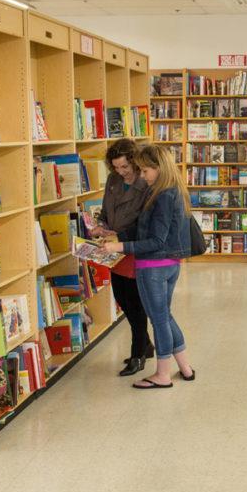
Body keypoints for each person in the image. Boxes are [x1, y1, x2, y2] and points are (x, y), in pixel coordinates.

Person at [101, 144, 195, 389]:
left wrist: (118, 248)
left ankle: (162, 375)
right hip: (168, 263)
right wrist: (118, 236)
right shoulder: (170, 191)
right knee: (165, 316)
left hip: (154, 266)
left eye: (145, 171)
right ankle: (184, 366)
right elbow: (146, 229)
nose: (142, 176)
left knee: (159, 320)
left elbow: (155, 240)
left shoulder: (163, 195)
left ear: (158, 168)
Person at [92, 139, 153, 377]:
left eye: (125, 167)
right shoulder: (113, 181)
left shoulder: (146, 183)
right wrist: (100, 226)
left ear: (135, 163)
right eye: (116, 167)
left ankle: (138, 353)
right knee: (123, 300)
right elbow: (107, 211)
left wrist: (119, 236)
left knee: (137, 305)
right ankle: (146, 344)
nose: (121, 172)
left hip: (134, 247)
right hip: (114, 248)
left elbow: (145, 223)